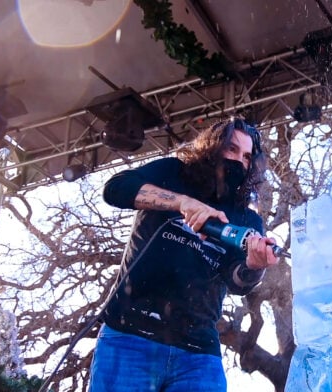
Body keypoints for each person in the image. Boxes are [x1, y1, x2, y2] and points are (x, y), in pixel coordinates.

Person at [89, 117, 279, 391]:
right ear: (212, 147)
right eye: (232, 149)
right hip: (129, 335)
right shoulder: (173, 173)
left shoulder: (246, 218)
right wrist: (181, 202)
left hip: (198, 352)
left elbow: (237, 281)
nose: (239, 161)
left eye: (248, 157)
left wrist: (255, 265)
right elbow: (116, 188)